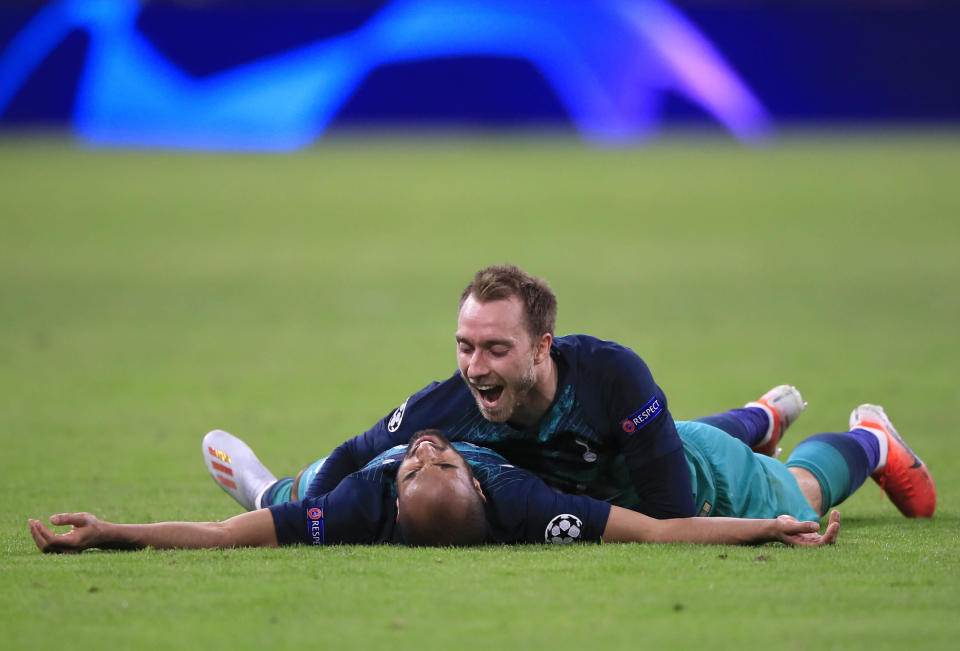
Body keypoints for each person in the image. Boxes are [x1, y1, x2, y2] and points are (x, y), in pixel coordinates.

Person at [311, 264, 779, 519]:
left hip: (712, 481)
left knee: (807, 490)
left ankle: (851, 428)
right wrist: (308, 519)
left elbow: (672, 519)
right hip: (657, 445)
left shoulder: (614, 378)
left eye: (496, 349)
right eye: (465, 347)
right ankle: (762, 416)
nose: (475, 368)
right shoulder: (446, 405)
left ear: (541, 348)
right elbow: (353, 454)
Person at [29, 429, 841, 554]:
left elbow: (222, 536)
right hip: (531, 437)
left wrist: (114, 530)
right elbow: (660, 532)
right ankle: (857, 438)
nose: (421, 454)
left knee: (298, 489)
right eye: (435, 465)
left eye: (419, 467)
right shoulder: (525, 502)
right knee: (772, 471)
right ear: (481, 491)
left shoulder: (359, 502)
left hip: (349, 467)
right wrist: (769, 526)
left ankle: (271, 481)